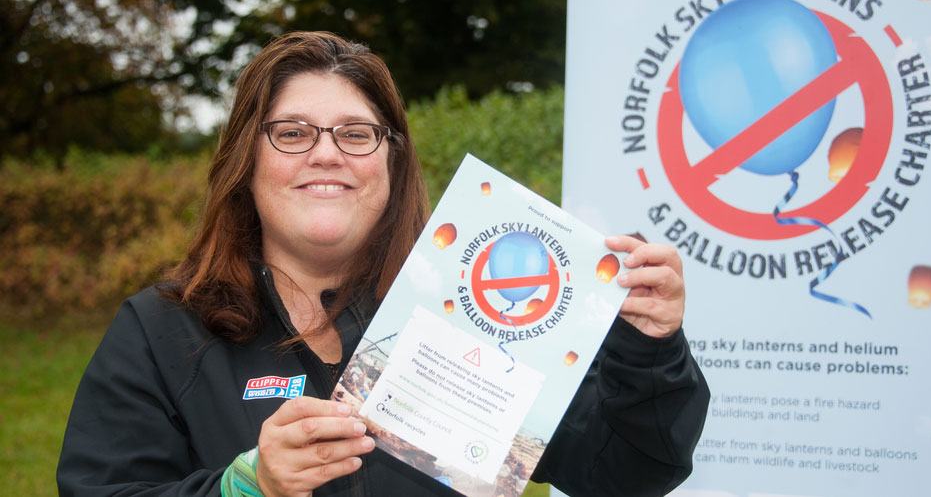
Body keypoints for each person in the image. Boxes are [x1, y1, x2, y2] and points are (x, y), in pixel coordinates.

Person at [57, 31, 709, 497]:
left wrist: (647, 351)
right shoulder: (161, 331)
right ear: (245, 162)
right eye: (292, 133)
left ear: (391, 162)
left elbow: (629, 473)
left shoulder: (473, 314)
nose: (326, 154)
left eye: (355, 133)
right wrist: (246, 486)